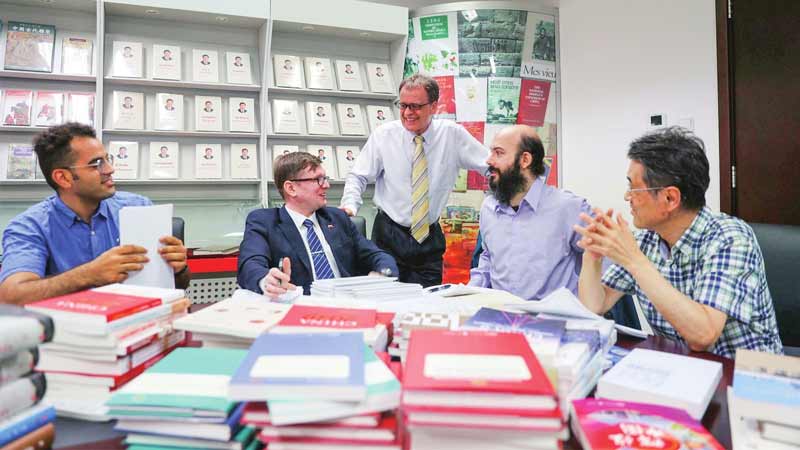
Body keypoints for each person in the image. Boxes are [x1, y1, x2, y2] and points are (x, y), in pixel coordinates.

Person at [575, 127, 782, 358]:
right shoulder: (646, 241)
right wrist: (592, 256)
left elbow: (703, 335)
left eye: (634, 188)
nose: (627, 196)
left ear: (670, 198)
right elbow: (595, 305)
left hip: (743, 373)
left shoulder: (730, 238)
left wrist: (635, 261)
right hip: (684, 367)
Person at [0, 123, 190, 305]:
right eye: (96, 164)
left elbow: (179, 284)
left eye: (108, 159)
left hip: (138, 319)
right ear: (63, 178)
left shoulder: (139, 207)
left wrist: (179, 269)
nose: (110, 169)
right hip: (73, 325)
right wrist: (89, 274)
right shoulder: (29, 227)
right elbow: (11, 296)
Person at [340, 74, 489, 287]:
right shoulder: (384, 135)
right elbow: (358, 175)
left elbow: (490, 166)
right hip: (388, 236)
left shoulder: (452, 135)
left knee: (427, 300)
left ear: (433, 106)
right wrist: (350, 205)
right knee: (384, 297)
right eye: (403, 105)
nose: (408, 113)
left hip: (428, 238)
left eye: (416, 106)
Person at [238, 152, 397, 298]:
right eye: (318, 179)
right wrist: (266, 280)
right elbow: (250, 264)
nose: (326, 185)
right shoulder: (264, 222)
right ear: (291, 188)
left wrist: (382, 274)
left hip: (348, 303)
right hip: (300, 307)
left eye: (325, 178)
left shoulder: (338, 218)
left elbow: (377, 255)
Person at [468, 125, 591, 300]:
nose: (489, 160)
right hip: (501, 313)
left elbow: (605, 261)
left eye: (498, 153)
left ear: (525, 160)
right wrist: (467, 295)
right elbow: (488, 259)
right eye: (491, 152)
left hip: (553, 315)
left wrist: (589, 307)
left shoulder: (570, 208)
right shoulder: (489, 208)